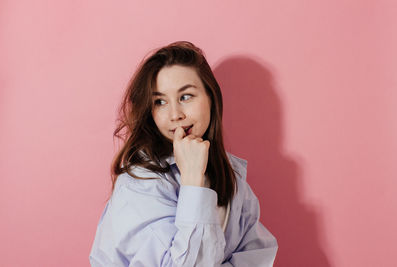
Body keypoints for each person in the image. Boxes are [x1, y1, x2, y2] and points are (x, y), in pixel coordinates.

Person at [89, 41, 278, 267]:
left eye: (186, 97)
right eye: (160, 102)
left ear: (210, 97)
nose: (175, 114)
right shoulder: (140, 183)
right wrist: (192, 182)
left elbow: (258, 255)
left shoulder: (232, 175)